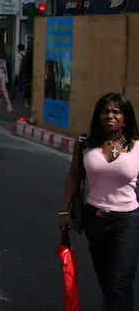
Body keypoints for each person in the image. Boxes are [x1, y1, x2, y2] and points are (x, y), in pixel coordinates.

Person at [59, 93, 139, 311]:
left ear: (126, 117)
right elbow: (74, 175)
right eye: (105, 111)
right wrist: (63, 211)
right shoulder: (85, 143)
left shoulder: (136, 147)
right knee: (105, 277)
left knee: (121, 281)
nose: (109, 115)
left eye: (116, 111)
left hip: (127, 221)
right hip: (94, 218)